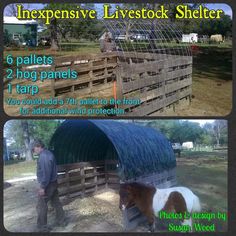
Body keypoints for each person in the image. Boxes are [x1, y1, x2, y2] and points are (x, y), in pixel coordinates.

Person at [32, 139, 66, 232]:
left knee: (41, 204)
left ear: (39, 146)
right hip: (52, 183)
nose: (33, 150)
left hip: (48, 184)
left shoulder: (44, 156)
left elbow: (46, 173)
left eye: (34, 148)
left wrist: (42, 187)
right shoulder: (47, 154)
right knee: (55, 202)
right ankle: (61, 221)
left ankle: (42, 227)